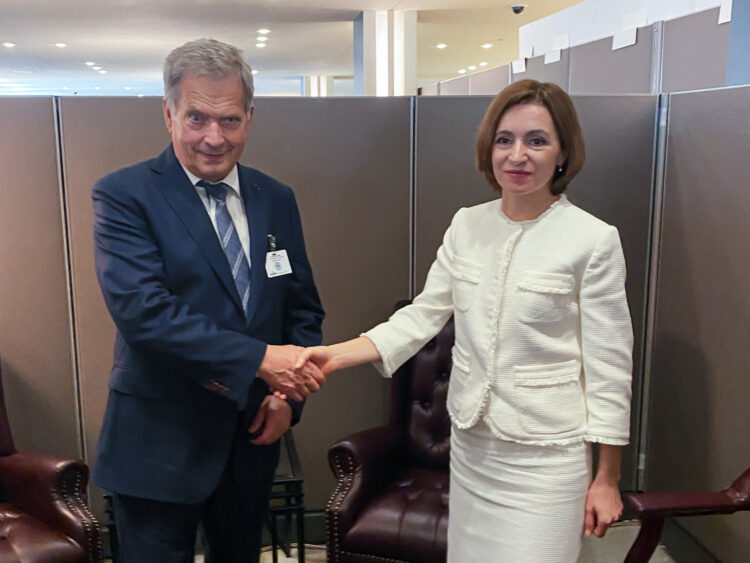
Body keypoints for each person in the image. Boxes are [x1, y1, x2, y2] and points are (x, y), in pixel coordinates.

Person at [294, 79, 633, 562]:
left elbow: (610, 368)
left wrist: (607, 478)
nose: (517, 155)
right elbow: (422, 316)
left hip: (546, 459)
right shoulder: (467, 225)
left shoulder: (592, 240)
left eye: (536, 140)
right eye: (504, 139)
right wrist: (337, 355)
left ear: (563, 154)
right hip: (473, 448)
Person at [91, 38, 325, 562]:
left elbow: (302, 309)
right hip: (158, 445)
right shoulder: (125, 195)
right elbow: (145, 314)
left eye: (230, 120)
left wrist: (289, 399)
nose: (214, 137)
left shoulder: (276, 198)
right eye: (197, 117)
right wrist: (261, 361)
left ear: (249, 119)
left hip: (250, 440)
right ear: (169, 115)